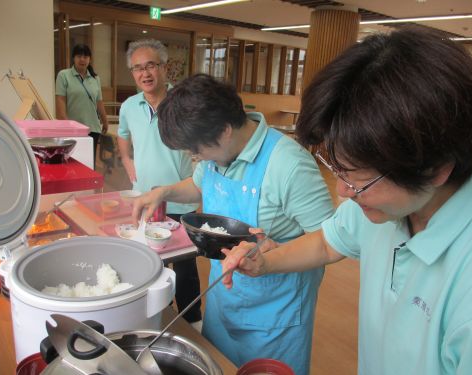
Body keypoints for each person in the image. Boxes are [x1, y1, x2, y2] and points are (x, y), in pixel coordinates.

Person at [222, 27, 472, 375]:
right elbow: (329, 242)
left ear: (437, 168)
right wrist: (266, 263)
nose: (343, 190)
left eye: (358, 177)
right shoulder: (383, 204)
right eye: (337, 168)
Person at [133, 73, 334, 375]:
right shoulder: (217, 156)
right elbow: (201, 186)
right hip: (224, 295)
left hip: (273, 314)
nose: (194, 157)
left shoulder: (289, 165)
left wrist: (271, 255)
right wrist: (165, 191)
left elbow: (329, 240)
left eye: (196, 150)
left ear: (225, 130)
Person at [118, 39, 202, 328]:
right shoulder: (129, 106)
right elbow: (123, 135)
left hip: (181, 198)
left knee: (185, 263)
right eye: (138, 68)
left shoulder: (184, 104)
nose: (145, 73)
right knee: (152, 260)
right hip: (145, 198)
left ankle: (193, 320)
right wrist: (128, 163)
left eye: (151, 65)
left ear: (164, 68)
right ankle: (160, 318)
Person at [55, 44, 109, 162]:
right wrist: (66, 127)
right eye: (79, 56)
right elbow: (60, 102)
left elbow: (99, 102)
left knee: (89, 164)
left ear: (90, 59)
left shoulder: (95, 79)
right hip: (73, 130)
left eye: (86, 56)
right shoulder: (64, 75)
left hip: (92, 129)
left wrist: (105, 121)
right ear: (73, 58)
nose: (82, 59)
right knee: (72, 164)